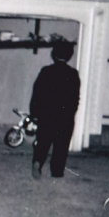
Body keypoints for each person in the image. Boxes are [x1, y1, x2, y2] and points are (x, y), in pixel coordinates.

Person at [29, 41, 80, 178]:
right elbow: (75, 97)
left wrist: (35, 113)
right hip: (65, 116)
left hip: (46, 114)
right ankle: (57, 171)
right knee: (61, 145)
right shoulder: (73, 74)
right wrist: (71, 112)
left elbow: (37, 93)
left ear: (54, 55)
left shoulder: (46, 71)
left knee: (43, 142)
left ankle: (38, 161)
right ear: (69, 56)